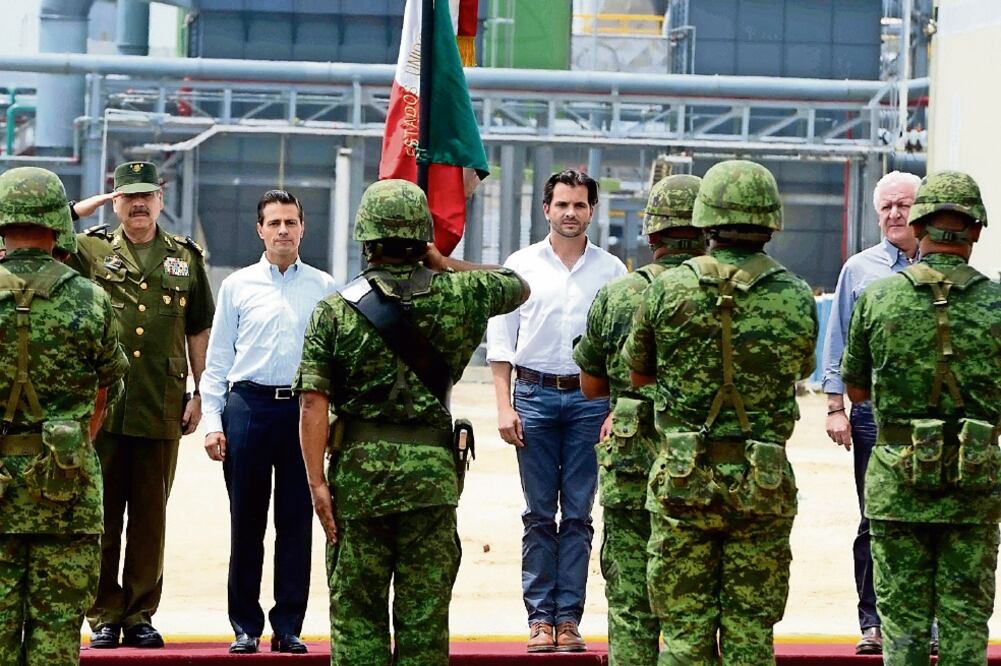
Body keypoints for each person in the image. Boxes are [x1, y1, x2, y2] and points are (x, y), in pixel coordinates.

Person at [296, 179, 528, 665]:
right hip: (431, 480)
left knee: (358, 615)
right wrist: (445, 264)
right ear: (424, 240)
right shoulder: (462, 294)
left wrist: (317, 482)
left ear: (366, 240)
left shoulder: (334, 312)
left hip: (358, 482)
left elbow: (313, 405)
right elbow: (516, 284)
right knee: (424, 618)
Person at [624, 160, 817, 664]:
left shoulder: (667, 289)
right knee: (751, 633)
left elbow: (639, 374)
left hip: (683, 480)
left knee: (684, 632)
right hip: (763, 485)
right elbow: (801, 368)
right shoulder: (796, 296)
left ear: (705, 220)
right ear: (771, 221)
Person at [842, 171, 1001, 665]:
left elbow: (857, 388)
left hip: (898, 483)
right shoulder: (997, 303)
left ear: (920, 225)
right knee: (965, 623)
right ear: (975, 231)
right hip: (973, 488)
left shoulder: (879, 296)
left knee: (903, 627)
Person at [69, 161, 215, 649]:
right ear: (115, 200)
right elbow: (28, 245)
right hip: (103, 407)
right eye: (127, 196)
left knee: (151, 517)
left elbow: (197, 328)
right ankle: (104, 613)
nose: (138, 204)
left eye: (146, 195)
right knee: (104, 515)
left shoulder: (186, 258)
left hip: (161, 402)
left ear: (160, 198)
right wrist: (74, 210)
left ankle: (139, 613)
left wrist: (200, 394)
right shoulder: (89, 249)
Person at [486, 169, 625, 652]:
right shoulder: (519, 265)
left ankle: (569, 620)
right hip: (534, 398)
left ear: (592, 210)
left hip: (592, 403)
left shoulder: (612, 272)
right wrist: (504, 405)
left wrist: (616, 408)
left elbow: (622, 347)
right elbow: (501, 343)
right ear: (546, 209)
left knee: (581, 515)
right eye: (562, 204)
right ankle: (540, 620)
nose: (570, 213)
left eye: (580, 205)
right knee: (540, 514)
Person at [0, 167, 128, 664]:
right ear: (57, 223)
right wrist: (73, 441)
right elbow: (106, 389)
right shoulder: (91, 299)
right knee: (56, 633)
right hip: (66, 487)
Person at [574, 174, 704, 665]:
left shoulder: (618, 295)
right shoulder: (723, 295)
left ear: (651, 237)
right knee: (691, 599)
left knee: (631, 599)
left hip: (631, 462)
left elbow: (590, 385)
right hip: (700, 467)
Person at [201, 189, 336, 654]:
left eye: (291, 222)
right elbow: (217, 362)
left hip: (303, 411)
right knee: (247, 522)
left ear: (303, 228)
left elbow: (335, 361)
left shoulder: (324, 287)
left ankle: (289, 625)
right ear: (259, 229)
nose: (283, 230)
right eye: (274, 222)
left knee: (297, 522)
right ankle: (244, 625)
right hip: (249, 408)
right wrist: (213, 423)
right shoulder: (237, 286)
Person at [820, 170, 920, 654]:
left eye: (904, 205)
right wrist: (835, 406)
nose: (896, 214)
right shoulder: (859, 270)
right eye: (887, 207)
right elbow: (837, 337)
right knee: (873, 519)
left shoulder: (948, 266)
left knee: (927, 520)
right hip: (871, 415)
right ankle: (873, 622)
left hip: (929, 417)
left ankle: (926, 622)